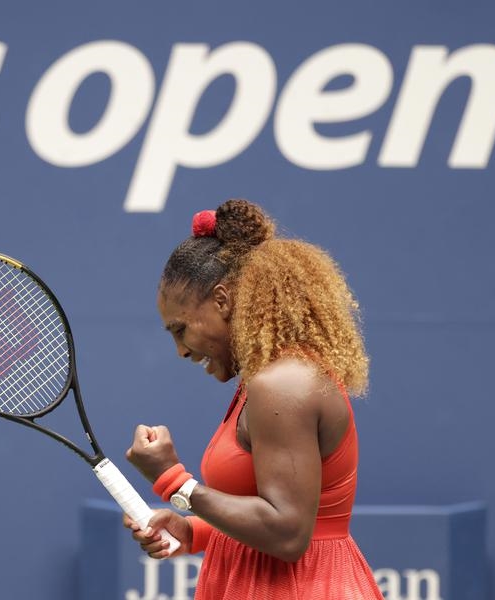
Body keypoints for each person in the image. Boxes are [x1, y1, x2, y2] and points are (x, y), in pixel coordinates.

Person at [124, 199, 383, 599]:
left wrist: (174, 481)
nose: (181, 350)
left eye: (181, 329)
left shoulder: (283, 385)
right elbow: (268, 510)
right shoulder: (266, 380)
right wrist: (193, 531)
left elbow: (287, 533)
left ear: (223, 301)